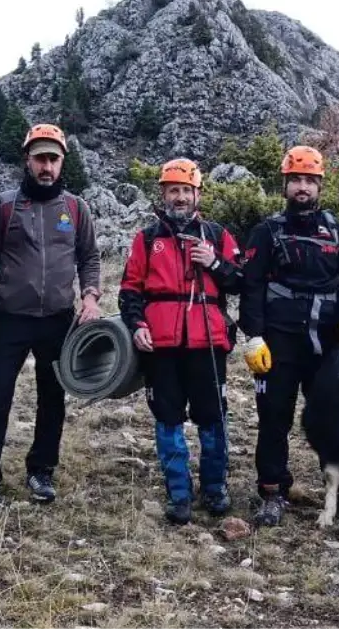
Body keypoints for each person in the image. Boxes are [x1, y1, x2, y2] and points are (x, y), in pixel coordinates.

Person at [0, 123, 102, 515]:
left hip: (58, 320)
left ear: (63, 163)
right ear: (27, 160)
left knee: (52, 398)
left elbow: (90, 258)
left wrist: (91, 297)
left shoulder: (76, 209)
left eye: (53, 159)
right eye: (40, 158)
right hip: (6, 319)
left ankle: (41, 470)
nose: (46, 166)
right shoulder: (3, 206)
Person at [237, 145, 339, 527]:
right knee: (274, 418)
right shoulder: (267, 231)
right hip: (280, 342)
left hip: (326, 343)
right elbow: (251, 286)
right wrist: (253, 336)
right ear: (285, 184)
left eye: (309, 180)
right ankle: (272, 492)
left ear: (320, 185)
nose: (302, 187)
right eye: (296, 180)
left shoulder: (338, 232)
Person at [118, 158, 243, 525]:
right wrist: (137, 324)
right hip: (161, 345)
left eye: (186, 190)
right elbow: (129, 289)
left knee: (213, 418)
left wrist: (215, 263)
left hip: (208, 342)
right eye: (173, 190)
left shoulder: (218, 236)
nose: (180, 197)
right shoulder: (146, 239)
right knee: (168, 419)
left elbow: (241, 280)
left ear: (197, 194)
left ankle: (215, 487)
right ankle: (179, 493)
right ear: (163, 194)